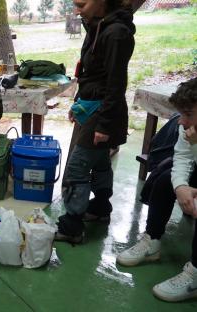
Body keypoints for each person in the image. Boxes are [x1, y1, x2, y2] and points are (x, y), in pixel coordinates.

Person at [55, 0, 135, 243]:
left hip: (102, 111)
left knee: (77, 167)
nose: (76, 10)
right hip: (91, 106)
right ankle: (100, 209)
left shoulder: (116, 33)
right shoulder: (97, 25)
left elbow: (115, 83)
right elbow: (90, 74)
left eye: (81, 4)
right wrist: (78, 103)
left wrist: (104, 124)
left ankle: (72, 227)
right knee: (99, 160)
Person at [117, 78, 197, 302]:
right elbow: (181, 156)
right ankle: (152, 242)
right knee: (163, 179)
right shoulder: (188, 127)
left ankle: (195, 276)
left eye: (188, 114)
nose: (181, 121)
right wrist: (181, 186)